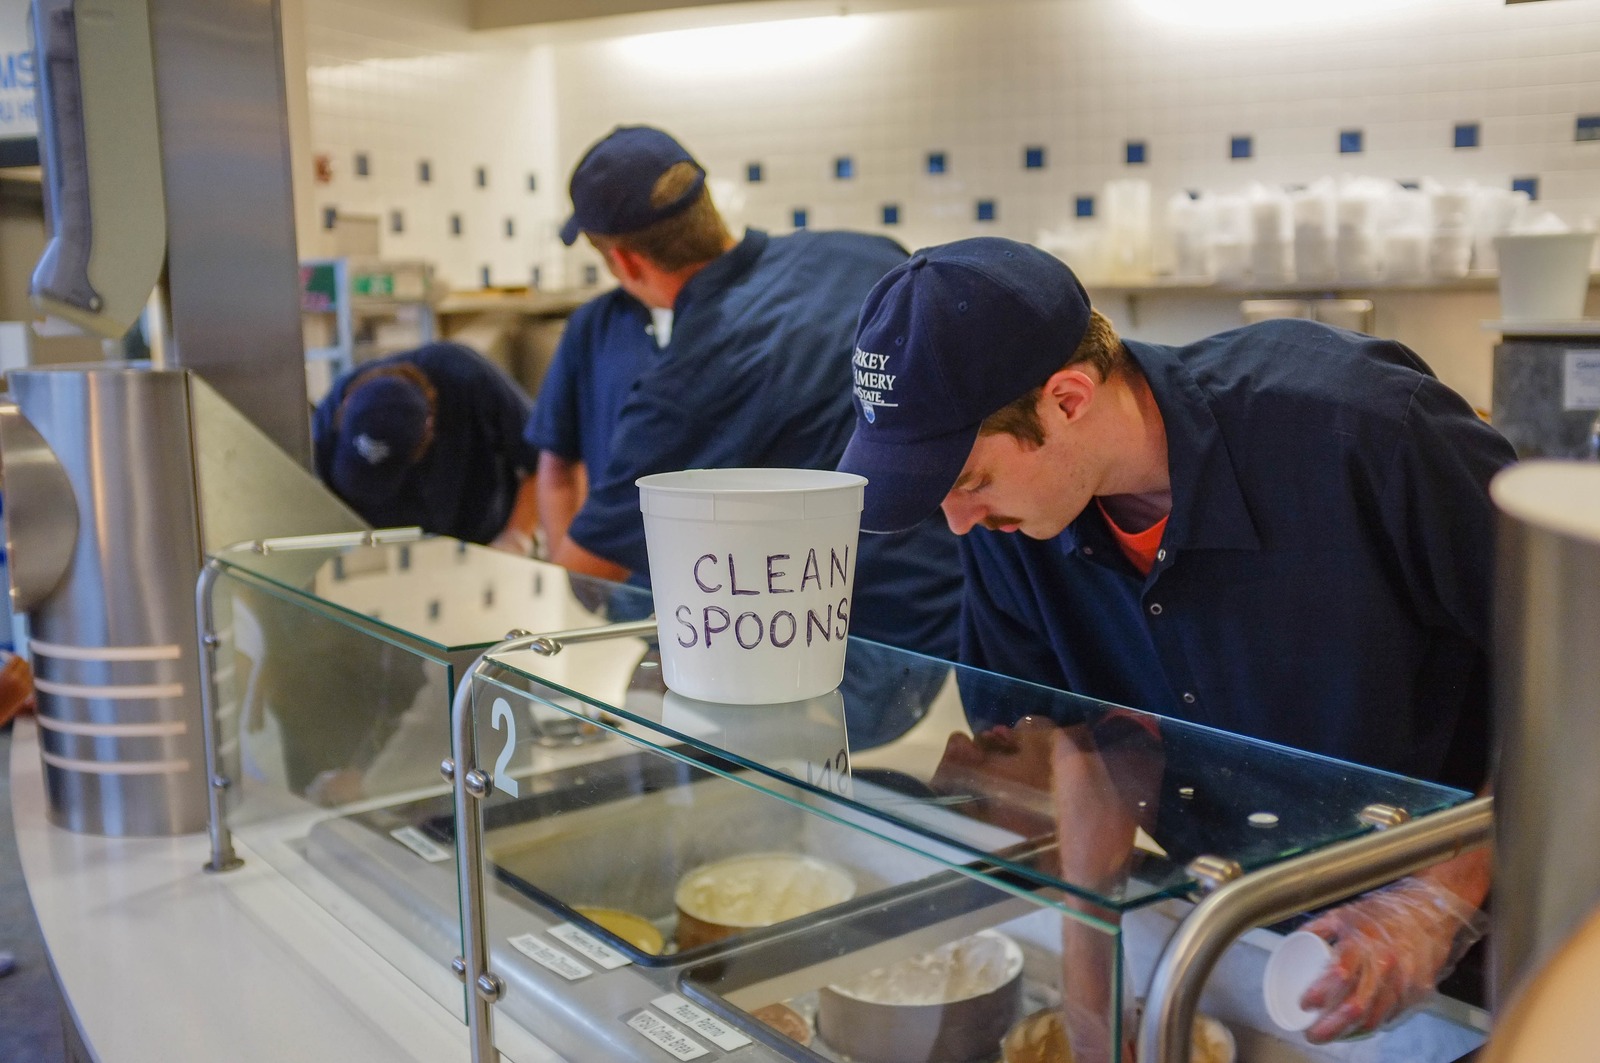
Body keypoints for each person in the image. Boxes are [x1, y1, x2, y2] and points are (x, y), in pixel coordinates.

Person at [838, 237, 1514, 1045]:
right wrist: (1090, 1011)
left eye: (971, 480)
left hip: (1480, 938)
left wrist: (1437, 899)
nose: (958, 521)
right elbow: (1091, 751)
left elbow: (1581, 668)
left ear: (1068, 399)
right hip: (1250, 923)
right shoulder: (1013, 527)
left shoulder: (1363, 431)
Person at [541, 125, 963, 690]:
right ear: (708, 208)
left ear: (626, 263)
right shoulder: (866, 254)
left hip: (828, 651)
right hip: (951, 622)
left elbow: (585, 570)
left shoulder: (687, 383)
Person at [312, 341, 540, 552]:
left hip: (483, 541)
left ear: (429, 432)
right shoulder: (326, 422)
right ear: (345, 407)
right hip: (386, 551)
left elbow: (542, 461)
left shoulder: (467, 377)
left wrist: (515, 538)